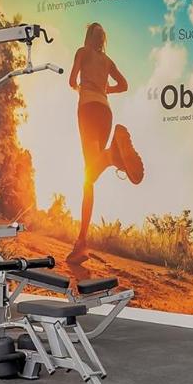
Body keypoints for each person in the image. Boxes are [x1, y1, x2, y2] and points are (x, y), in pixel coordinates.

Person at [68, 22, 143, 265]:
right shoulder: (107, 61)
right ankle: (81, 241)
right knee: (90, 175)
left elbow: (71, 80)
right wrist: (105, 89)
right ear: (102, 39)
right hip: (105, 111)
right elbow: (124, 85)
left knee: (90, 175)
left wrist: (81, 87)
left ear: (88, 37)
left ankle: (112, 155)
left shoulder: (82, 52)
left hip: (88, 108)